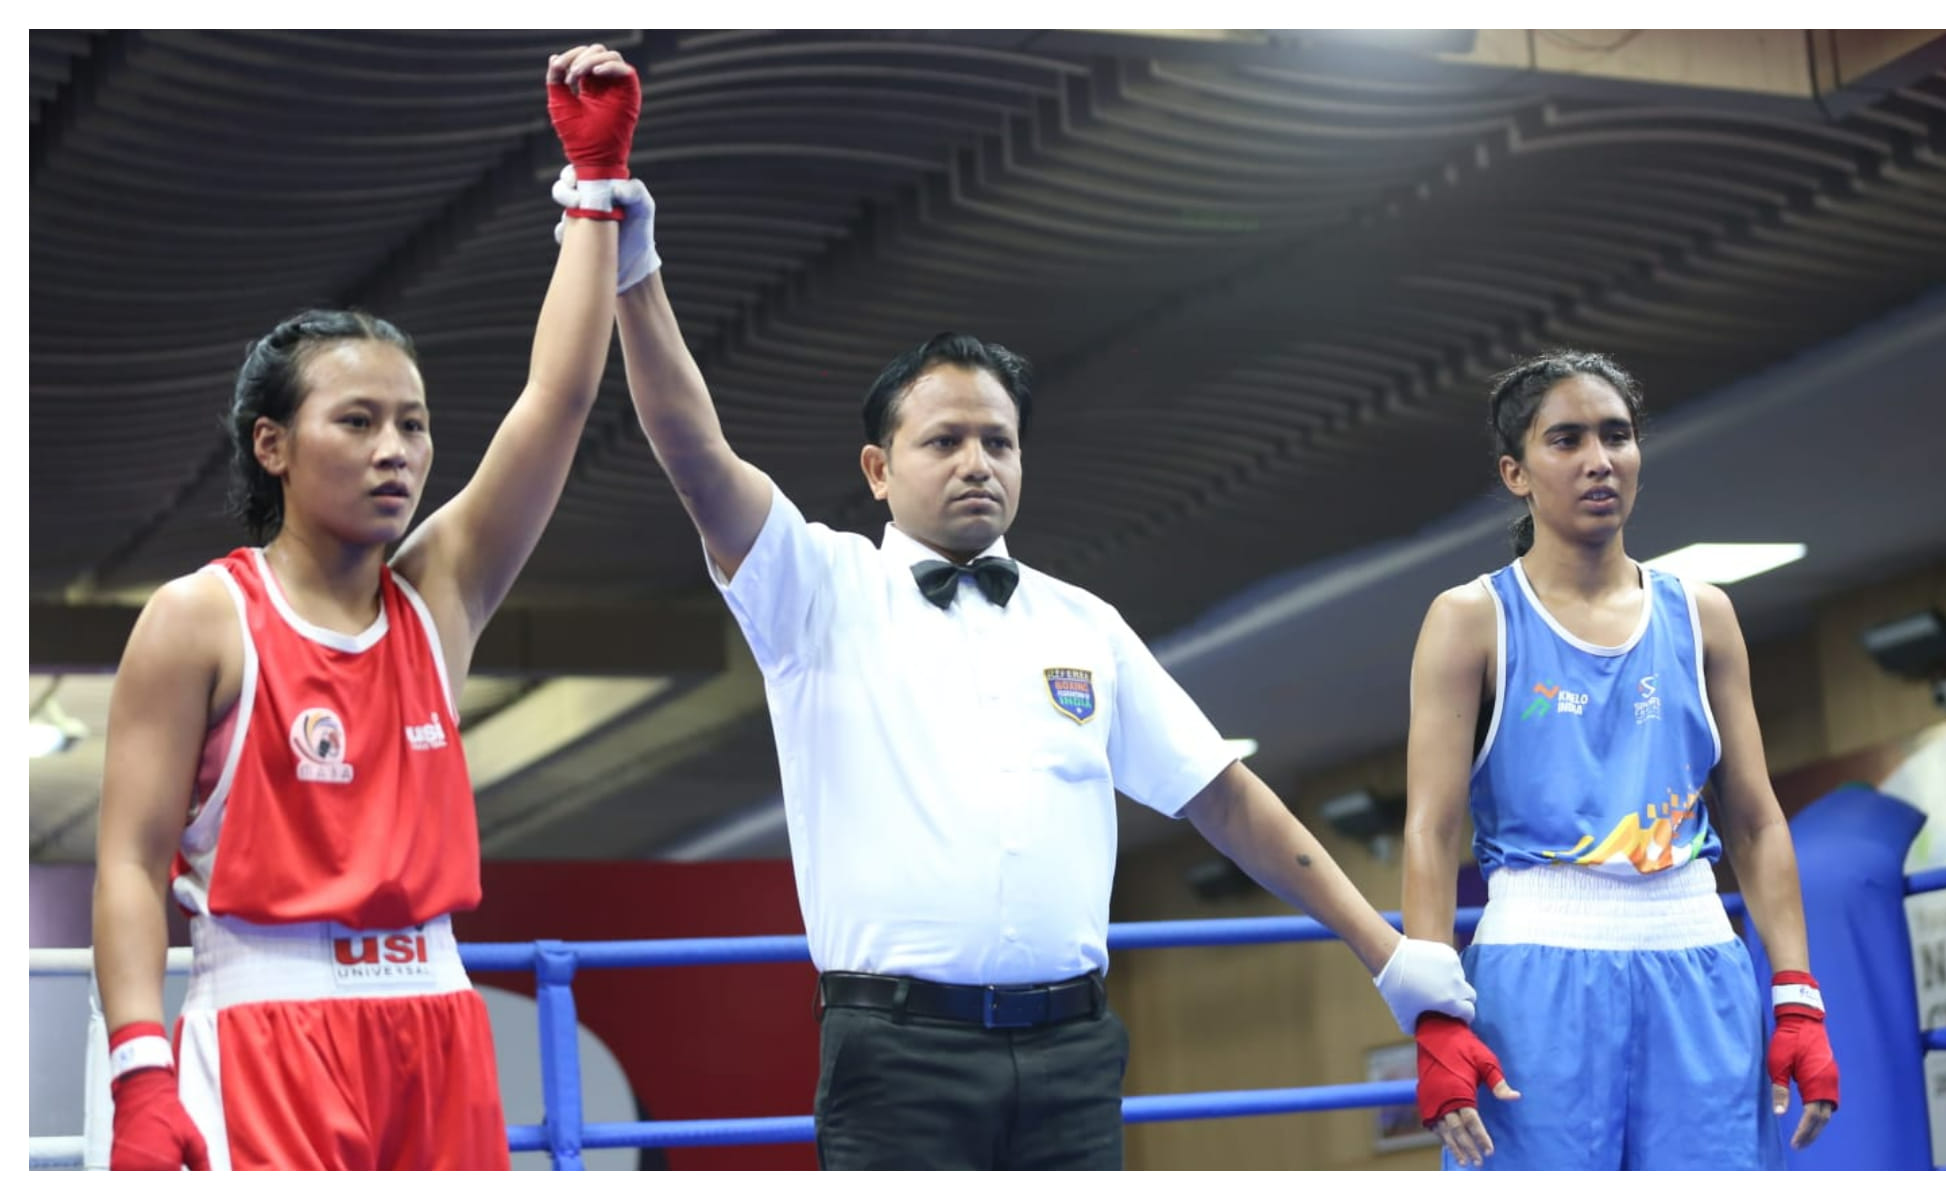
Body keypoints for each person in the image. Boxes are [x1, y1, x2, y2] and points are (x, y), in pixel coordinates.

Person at [549, 170, 1485, 1170]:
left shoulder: (1083, 623)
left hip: (1072, 1053)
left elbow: (1224, 798)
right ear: (878, 468)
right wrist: (634, 268)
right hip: (895, 1058)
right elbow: (694, 453)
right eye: (943, 441)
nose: (975, 463)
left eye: (997, 441)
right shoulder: (816, 589)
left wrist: (1384, 954)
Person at [89, 43, 639, 1170]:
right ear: (274, 445)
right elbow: (130, 863)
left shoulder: (441, 593)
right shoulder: (200, 620)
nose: (396, 451)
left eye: (414, 423)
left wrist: (593, 184)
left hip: (436, 1013)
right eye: (358, 422)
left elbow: (560, 397)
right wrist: (140, 1070)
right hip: (265, 1026)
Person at [1400, 350, 1841, 1170]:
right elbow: (1429, 830)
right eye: (1566, 440)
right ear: (1516, 473)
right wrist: (1436, 1016)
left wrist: (1797, 997)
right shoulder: (1471, 619)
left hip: (1699, 960)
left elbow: (1753, 817)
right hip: (1536, 973)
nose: (1600, 460)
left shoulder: (1703, 615)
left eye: (1617, 435)